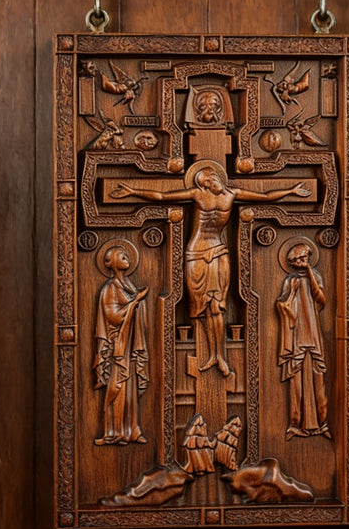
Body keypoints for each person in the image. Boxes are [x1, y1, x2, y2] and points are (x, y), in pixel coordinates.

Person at [111, 166, 309, 376]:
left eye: (212, 178)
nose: (212, 182)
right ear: (202, 184)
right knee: (201, 307)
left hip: (219, 251)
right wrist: (132, 191)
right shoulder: (197, 194)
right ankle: (210, 353)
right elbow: (161, 196)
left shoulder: (233, 194)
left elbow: (266, 196)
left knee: (217, 306)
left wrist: (291, 191)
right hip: (196, 253)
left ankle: (218, 355)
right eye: (206, 181)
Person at [93, 246, 149, 445]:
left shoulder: (129, 285)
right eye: (122, 256)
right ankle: (114, 431)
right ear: (113, 262)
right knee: (118, 387)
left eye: (127, 256)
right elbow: (113, 316)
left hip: (131, 343)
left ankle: (132, 430)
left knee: (130, 388)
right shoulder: (110, 288)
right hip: (118, 346)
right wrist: (135, 302)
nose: (127, 259)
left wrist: (136, 301)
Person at [276, 241, 330, 439]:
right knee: (296, 383)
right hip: (297, 335)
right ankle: (295, 424)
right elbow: (282, 304)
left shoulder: (315, 276)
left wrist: (309, 273)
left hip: (313, 333)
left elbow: (321, 299)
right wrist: (291, 293)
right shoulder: (290, 281)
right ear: (292, 263)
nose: (302, 262)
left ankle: (322, 423)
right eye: (298, 260)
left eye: (304, 258)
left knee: (318, 380)